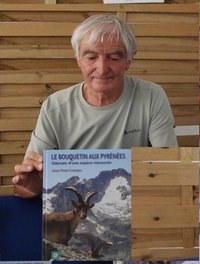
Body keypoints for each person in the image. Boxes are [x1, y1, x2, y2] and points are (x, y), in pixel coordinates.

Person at [12, 14, 178, 200]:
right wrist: (31, 186)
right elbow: (26, 189)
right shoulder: (55, 107)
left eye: (114, 58)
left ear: (128, 61)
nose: (101, 68)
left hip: (134, 202)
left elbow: (169, 168)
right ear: (78, 60)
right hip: (75, 205)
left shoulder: (151, 96)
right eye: (91, 57)